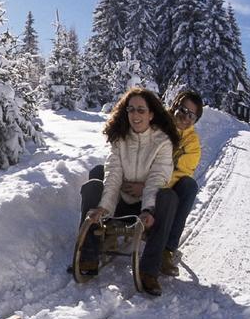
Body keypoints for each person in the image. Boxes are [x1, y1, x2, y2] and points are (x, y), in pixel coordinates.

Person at [78, 87, 180, 296]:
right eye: (131, 109)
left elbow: (156, 179)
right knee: (92, 186)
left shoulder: (162, 142)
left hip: (145, 206)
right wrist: (103, 207)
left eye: (141, 110)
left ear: (151, 114)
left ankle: (148, 270)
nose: (135, 115)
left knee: (168, 197)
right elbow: (113, 175)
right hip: (121, 202)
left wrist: (149, 209)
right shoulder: (120, 139)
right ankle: (88, 255)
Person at [160, 90, 204, 276]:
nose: (185, 117)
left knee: (188, 185)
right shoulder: (158, 123)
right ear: (175, 105)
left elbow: (181, 173)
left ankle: (167, 249)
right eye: (183, 110)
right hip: (139, 177)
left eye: (191, 115)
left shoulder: (192, 143)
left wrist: (156, 186)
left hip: (164, 188)